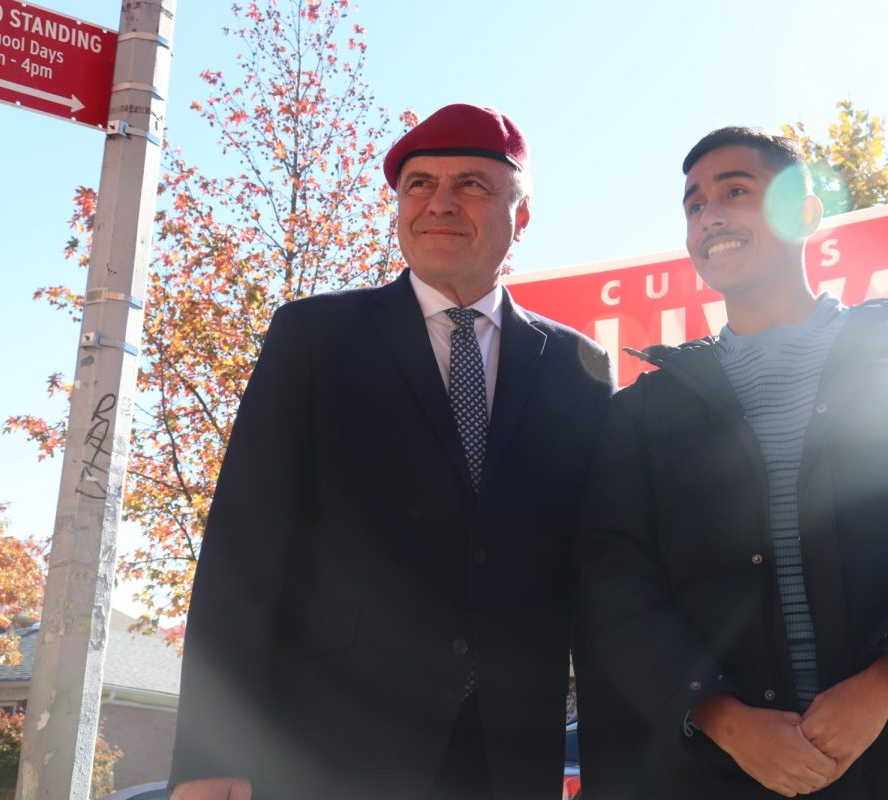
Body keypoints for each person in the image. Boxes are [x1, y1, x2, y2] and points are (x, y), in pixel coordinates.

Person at [576, 126, 888, 799]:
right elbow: (613, 586)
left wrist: (886, 685)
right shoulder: (644, 412)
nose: (709, 213)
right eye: (693, 204)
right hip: (718, 776)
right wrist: (725, 720)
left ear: (802, 212)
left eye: (735, 190)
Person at [169, 103, 614, 800]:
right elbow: (242, 549)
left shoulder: (578, 366)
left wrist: (612, 757)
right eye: (418, 184)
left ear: (520, 215)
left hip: (510, 757)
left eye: (471, 184)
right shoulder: (314, 338)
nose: (439, 203)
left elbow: (596, 573)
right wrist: (206, 754)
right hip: (329, 748)